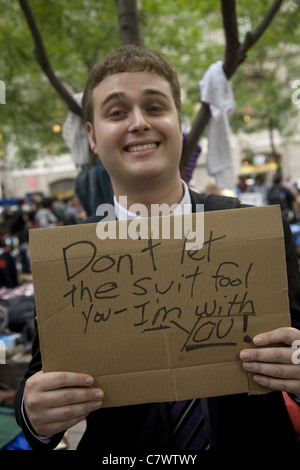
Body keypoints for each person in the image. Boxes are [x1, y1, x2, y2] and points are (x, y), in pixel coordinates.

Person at [14, 45, 300, 450]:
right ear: (93, 137)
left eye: (154, 107)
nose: (138, 123)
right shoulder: (67, 256)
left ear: (178, 122)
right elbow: (43, 382)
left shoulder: (256, 231)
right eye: (116, 113)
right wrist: (35, 416)